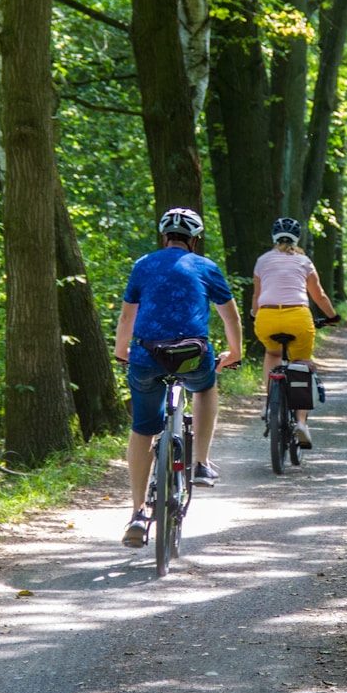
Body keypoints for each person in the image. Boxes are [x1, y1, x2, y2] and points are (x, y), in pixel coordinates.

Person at [114, 206, 242, 548]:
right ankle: (200, 462)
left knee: (142, 429)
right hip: (191, 356)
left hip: (146, 356)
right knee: (205, 388)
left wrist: (121, 352)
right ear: (195, 240)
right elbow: (230, 317)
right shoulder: (206, 267)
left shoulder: (143, 265)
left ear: (163, 236)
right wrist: (235, 351)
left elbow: (127, 318)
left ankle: (138, 513)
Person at [252, 216, 339, 450]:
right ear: (297, 238)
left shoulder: (262, 261)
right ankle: (301, 422)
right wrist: (332, 316)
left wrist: (254, 314)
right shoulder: (304, 261)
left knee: (272, 355)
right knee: (302, 364)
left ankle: (270, 404)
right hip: (298, 318)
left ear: (273, 237)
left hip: (267, 318)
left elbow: (257, 297)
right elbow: (318, 295)